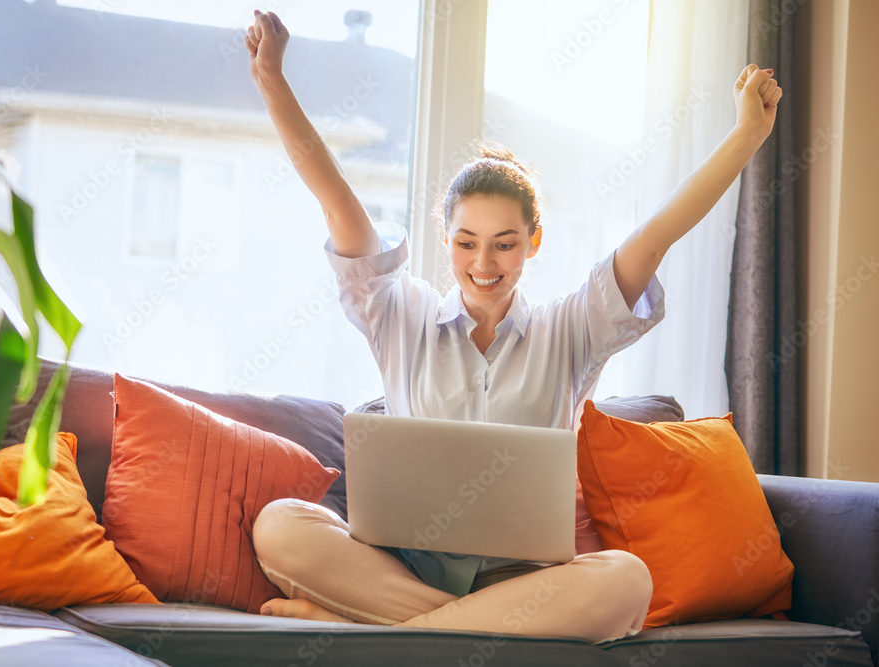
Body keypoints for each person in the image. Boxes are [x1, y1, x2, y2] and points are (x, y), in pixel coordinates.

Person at [244, 9, 781, 643]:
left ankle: (378, 632)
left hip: (523, 585)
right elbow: (336, 197)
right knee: (281, 525)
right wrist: (273, 79)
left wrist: (747, 135)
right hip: (402, 567)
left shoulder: (571, 331)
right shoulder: (400, 315)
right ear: (446, 241)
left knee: (625, 580)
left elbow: (656, 235)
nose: (483, 264)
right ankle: (448, 632)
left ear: (533, 243)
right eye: (466, 242)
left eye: (504, 244)